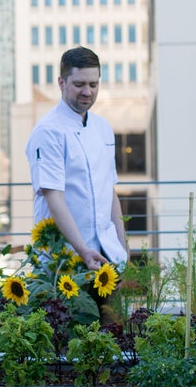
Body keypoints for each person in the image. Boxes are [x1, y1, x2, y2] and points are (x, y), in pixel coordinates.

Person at [25, 46, 128, 274]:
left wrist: (122, 248)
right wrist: (83, 250)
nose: (88, 92)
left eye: (93, 84)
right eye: (79, 84)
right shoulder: (48, 131)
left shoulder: (103, 128)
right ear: (62, 83)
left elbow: (109, 192)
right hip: (63, 260)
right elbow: (54, 198)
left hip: (107, 256)